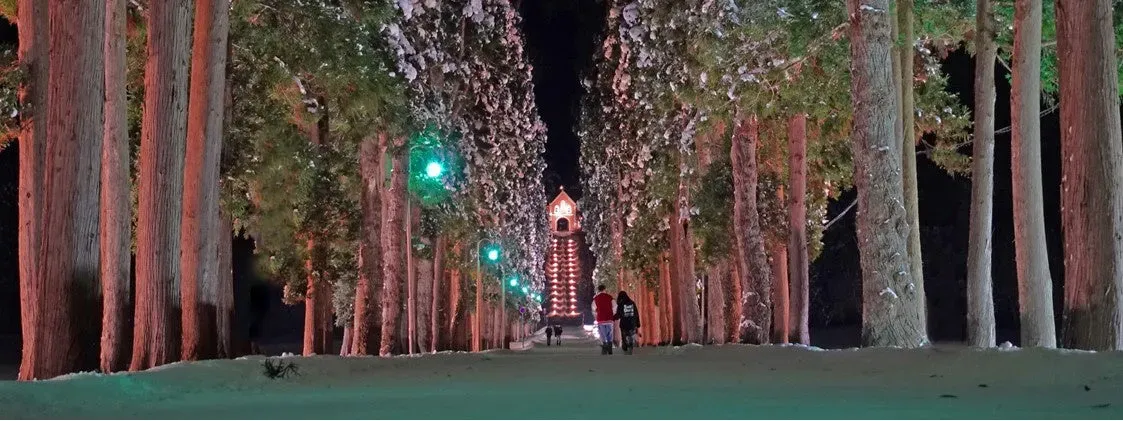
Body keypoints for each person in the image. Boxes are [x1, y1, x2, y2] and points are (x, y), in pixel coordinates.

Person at [591, 284, 616, 355]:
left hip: (601, 319)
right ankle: (610, 348)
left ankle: (604, 347)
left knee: (602, 334)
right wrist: (612, 313)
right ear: (605, 289)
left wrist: (596, 315)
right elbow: (614, 307)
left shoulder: (596, 298)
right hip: (609, 319)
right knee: (610, 334)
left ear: (599, 290)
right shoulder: (610, 297)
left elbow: (593, 308)